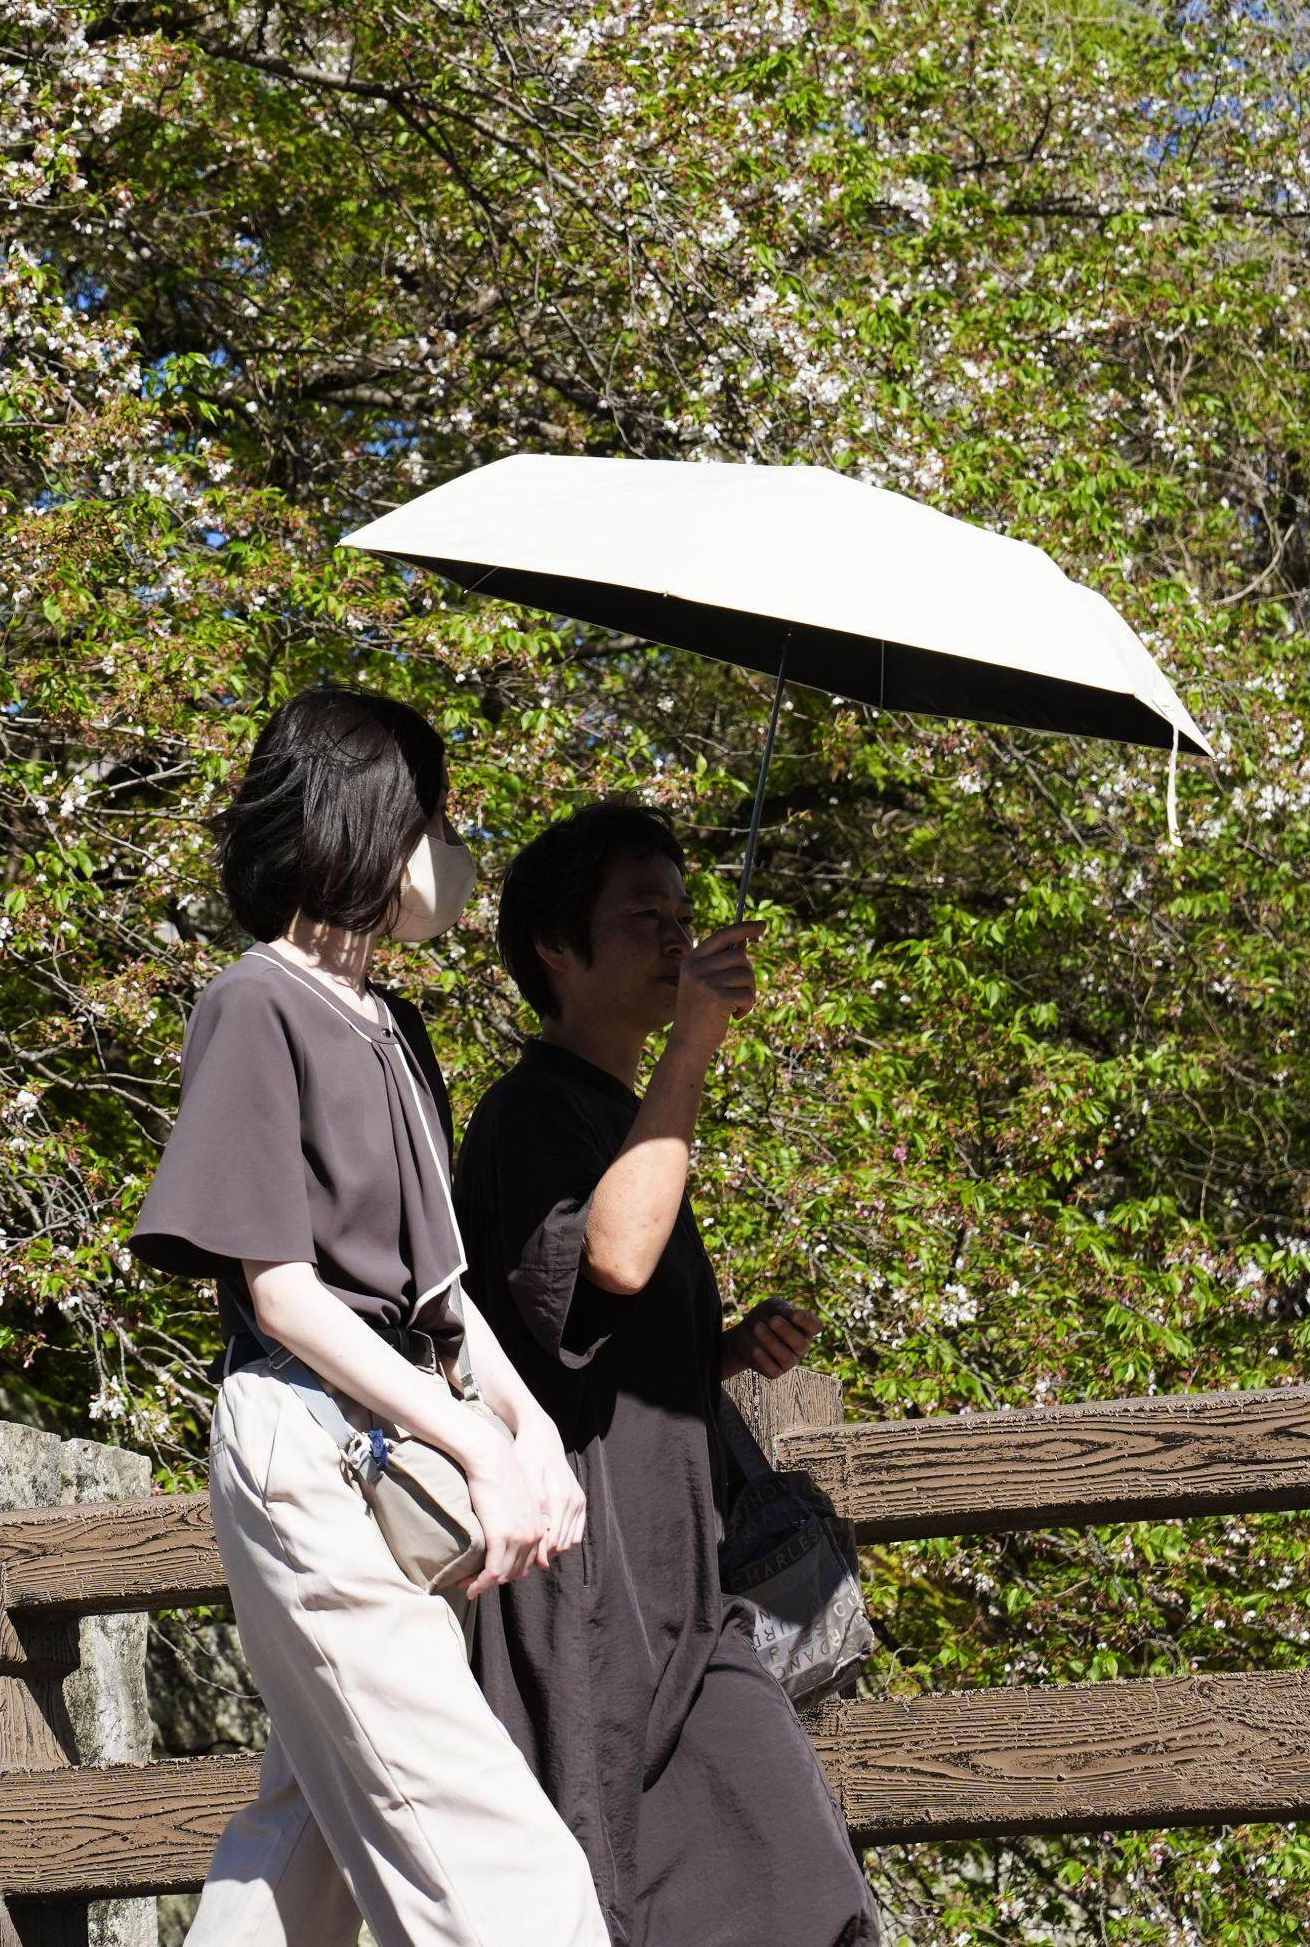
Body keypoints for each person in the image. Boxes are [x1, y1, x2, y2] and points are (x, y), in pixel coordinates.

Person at [129, 686, 613, 1947]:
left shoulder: (392, 1025)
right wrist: (472, 1446)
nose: (453, 857)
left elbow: (442, 1294)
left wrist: (523, 1430)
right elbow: (279, 1294)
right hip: (313, 1450)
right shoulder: (256, 1001)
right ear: (366, 822)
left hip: (386, 1449)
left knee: (306, 1851)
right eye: (435, 822)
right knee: (502, 1870)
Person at [454, 799, 880, 1947]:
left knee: (801, 1896)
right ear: (554, 947)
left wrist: (724, 1351)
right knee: (611, 1908)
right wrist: (692, 1043)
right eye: (642, 917)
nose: (678, 941)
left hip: (683, 1593)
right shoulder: (530, 1113)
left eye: (683, 916)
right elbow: (608, 1259)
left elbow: (604, 1331)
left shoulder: (621, 1111)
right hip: (582, 1600)